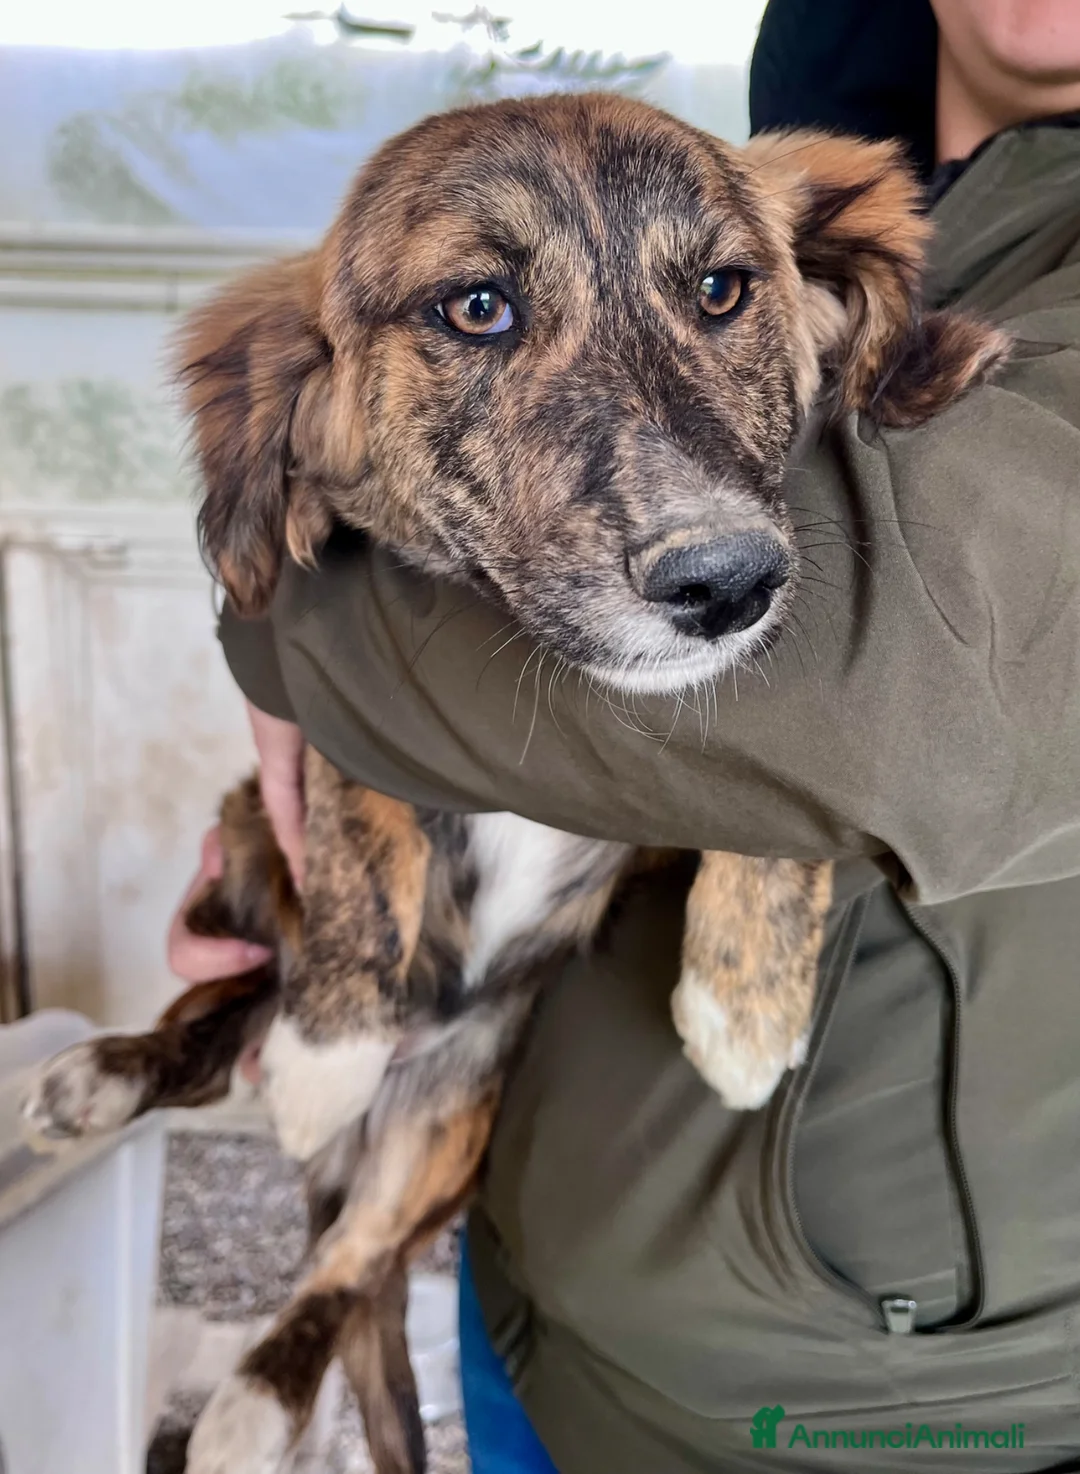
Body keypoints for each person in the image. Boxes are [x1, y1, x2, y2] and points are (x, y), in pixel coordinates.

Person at [169, 0, 1080, 1467]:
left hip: (866, 1408)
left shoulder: (808, 228)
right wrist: (328, 872)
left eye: (717, 291)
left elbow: (914, 695)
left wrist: (298, 644)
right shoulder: (753, 188)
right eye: (482, 309)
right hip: (535, 1269)